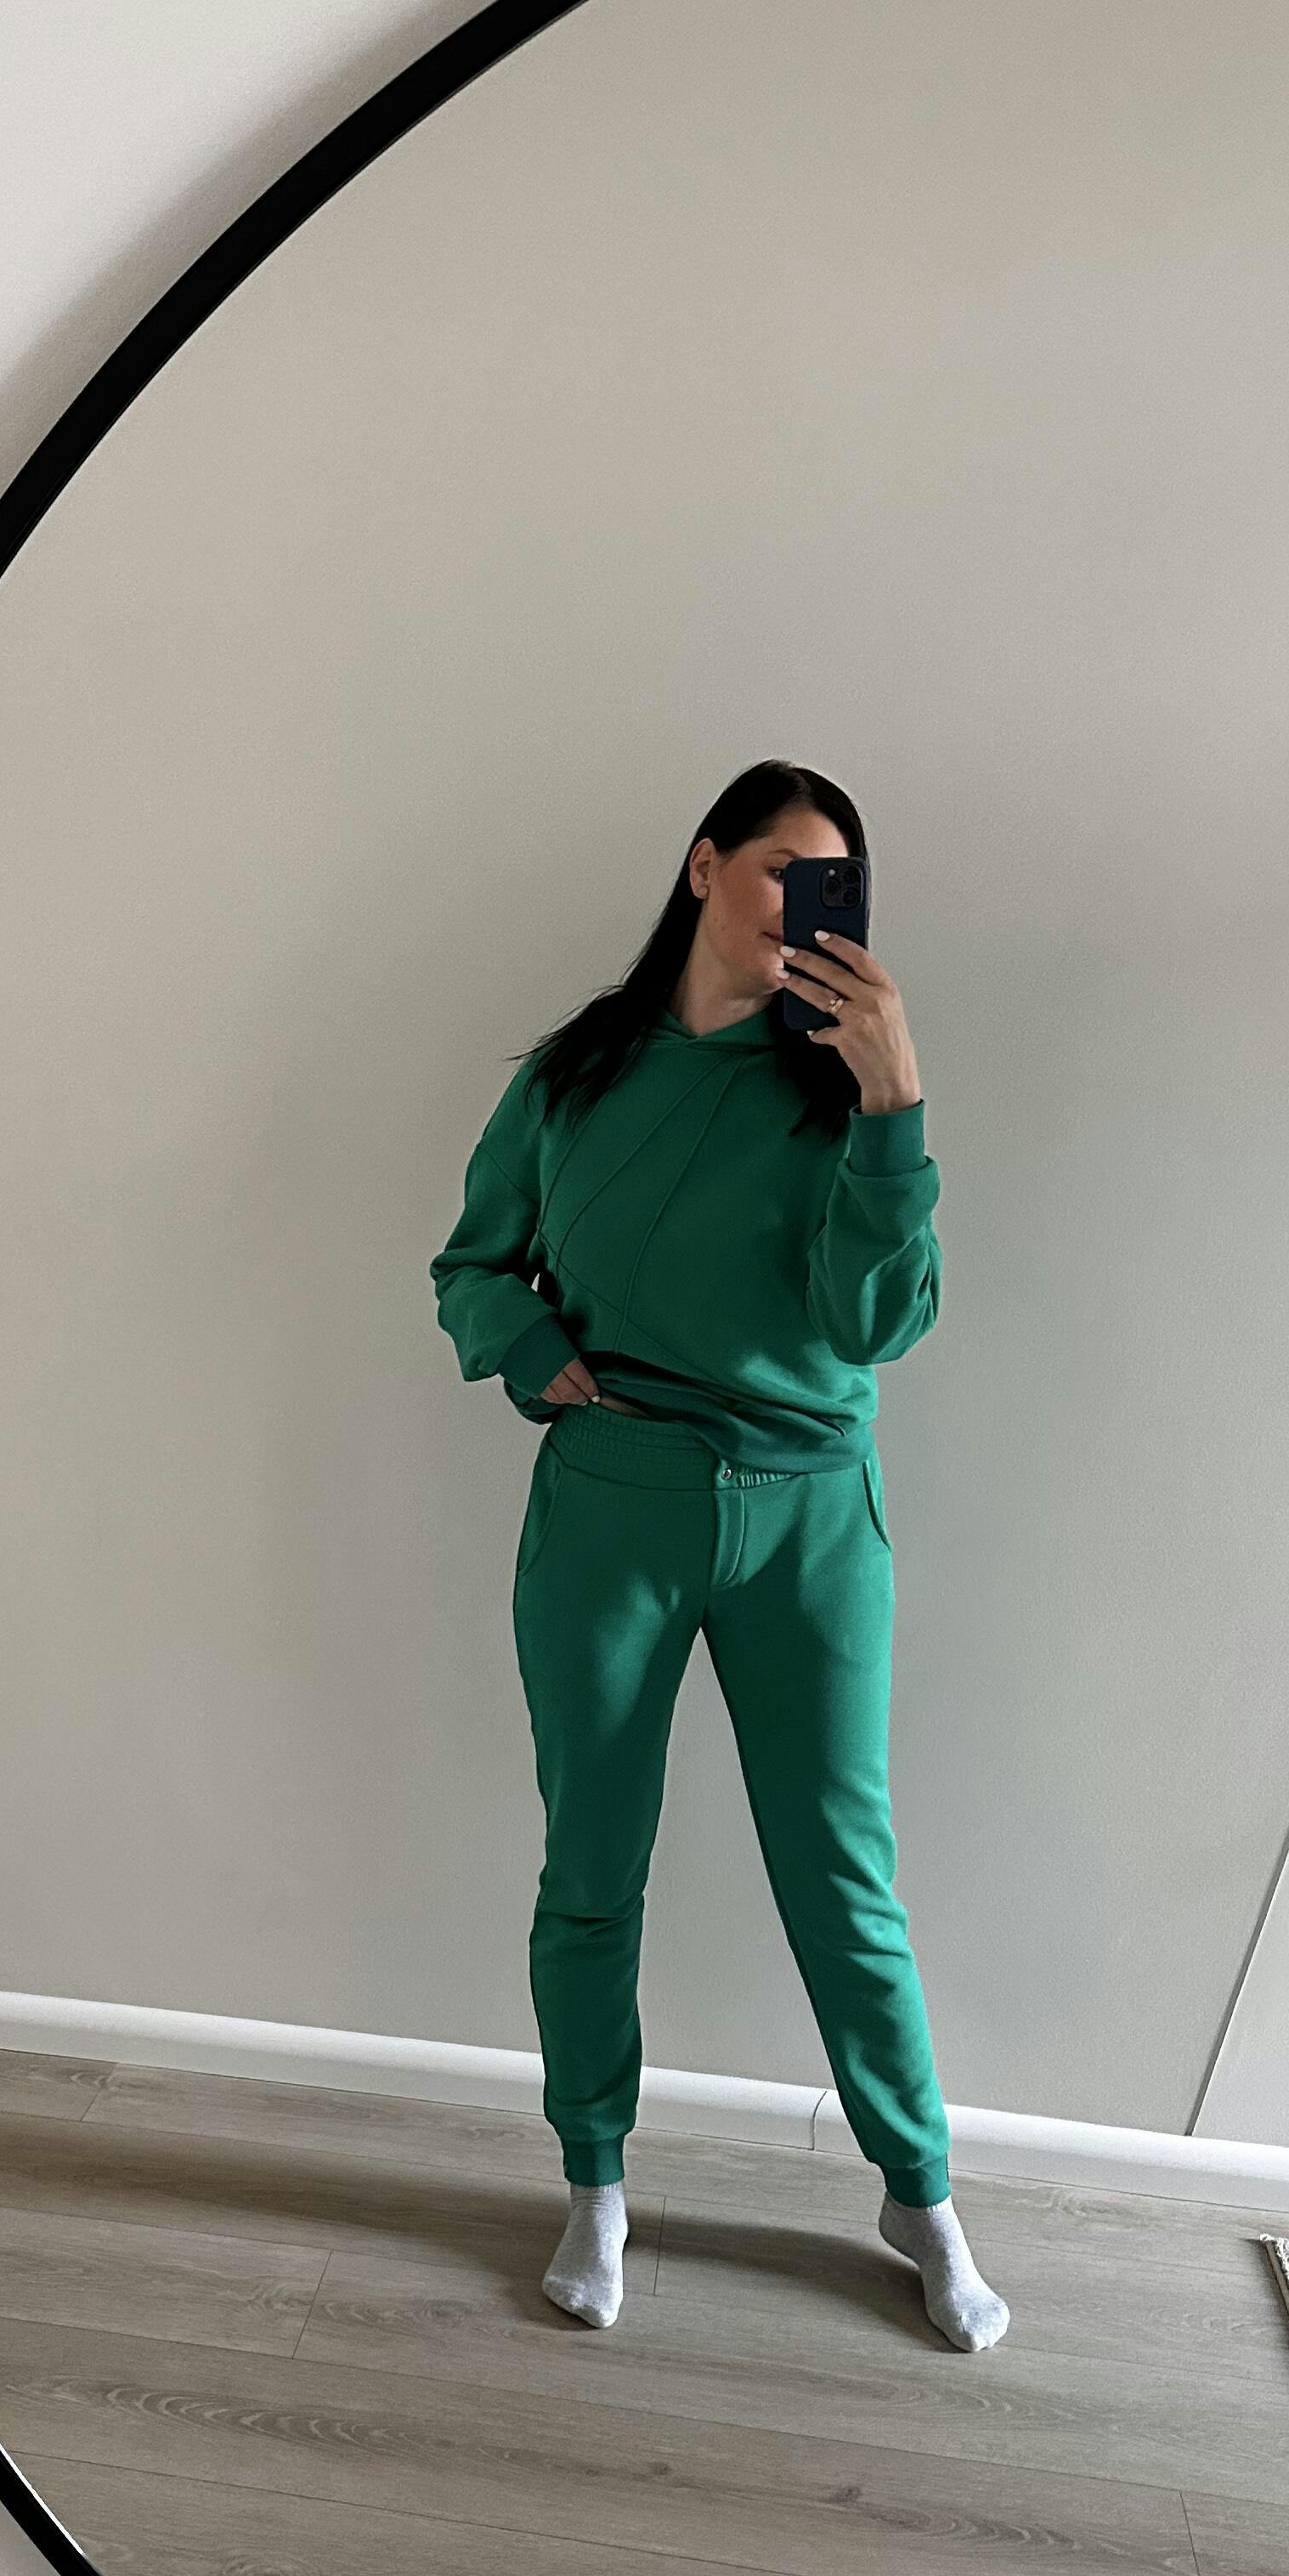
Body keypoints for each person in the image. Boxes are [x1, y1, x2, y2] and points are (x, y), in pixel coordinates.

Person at [430, 760, 1007, 2351]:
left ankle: (919, 2191)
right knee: (592, 1863)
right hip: (612, 1500)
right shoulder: (578, 1074)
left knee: (843, 1876)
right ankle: (594, 2180)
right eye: (780, 871)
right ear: (702, 868)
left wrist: (894, 1102)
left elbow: (876, 1324)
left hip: (810, 1516)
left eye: (837, 888)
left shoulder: (840, 1095)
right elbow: (473, 1261)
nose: (804, 911)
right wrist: (528, 1350)